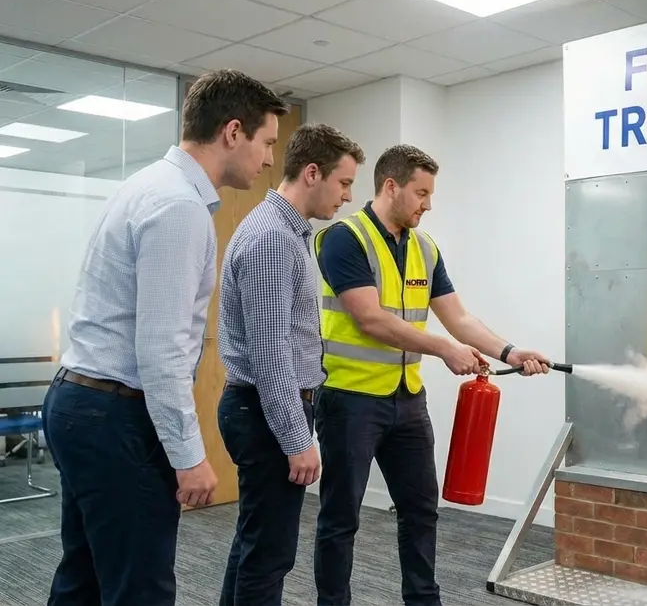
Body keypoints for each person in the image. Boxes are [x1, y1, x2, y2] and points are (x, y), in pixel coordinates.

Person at [42, 69, 288, 606]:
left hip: (82, 402)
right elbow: (161, 351)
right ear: (232, 132)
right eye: (266, 142)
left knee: (84, 577)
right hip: (112, 416)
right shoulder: (178, 207)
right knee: (141, 589)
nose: (270, 158)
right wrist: (189, 456)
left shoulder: (148, 185)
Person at [312, 144, 550, 606]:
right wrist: (443, 348)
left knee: (421, 510)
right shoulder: (345, 237)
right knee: (341, 518)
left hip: (406, 400)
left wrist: (510, 351)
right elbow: (371, 319)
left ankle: (424, 600)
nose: (428, 203)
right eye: (421, 193)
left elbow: (458, 319)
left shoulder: (424, 246)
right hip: (350, 399)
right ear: (391, 186)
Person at [215, 123, 364, 605]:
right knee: (270, 555)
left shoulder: (288, 232)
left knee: (254, 546)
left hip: (266, 409)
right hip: (264, 411)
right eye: (343, 183)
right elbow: (270, 354)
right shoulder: (271, 238)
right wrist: (297, 441)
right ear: (313, 173)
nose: (346, 196)